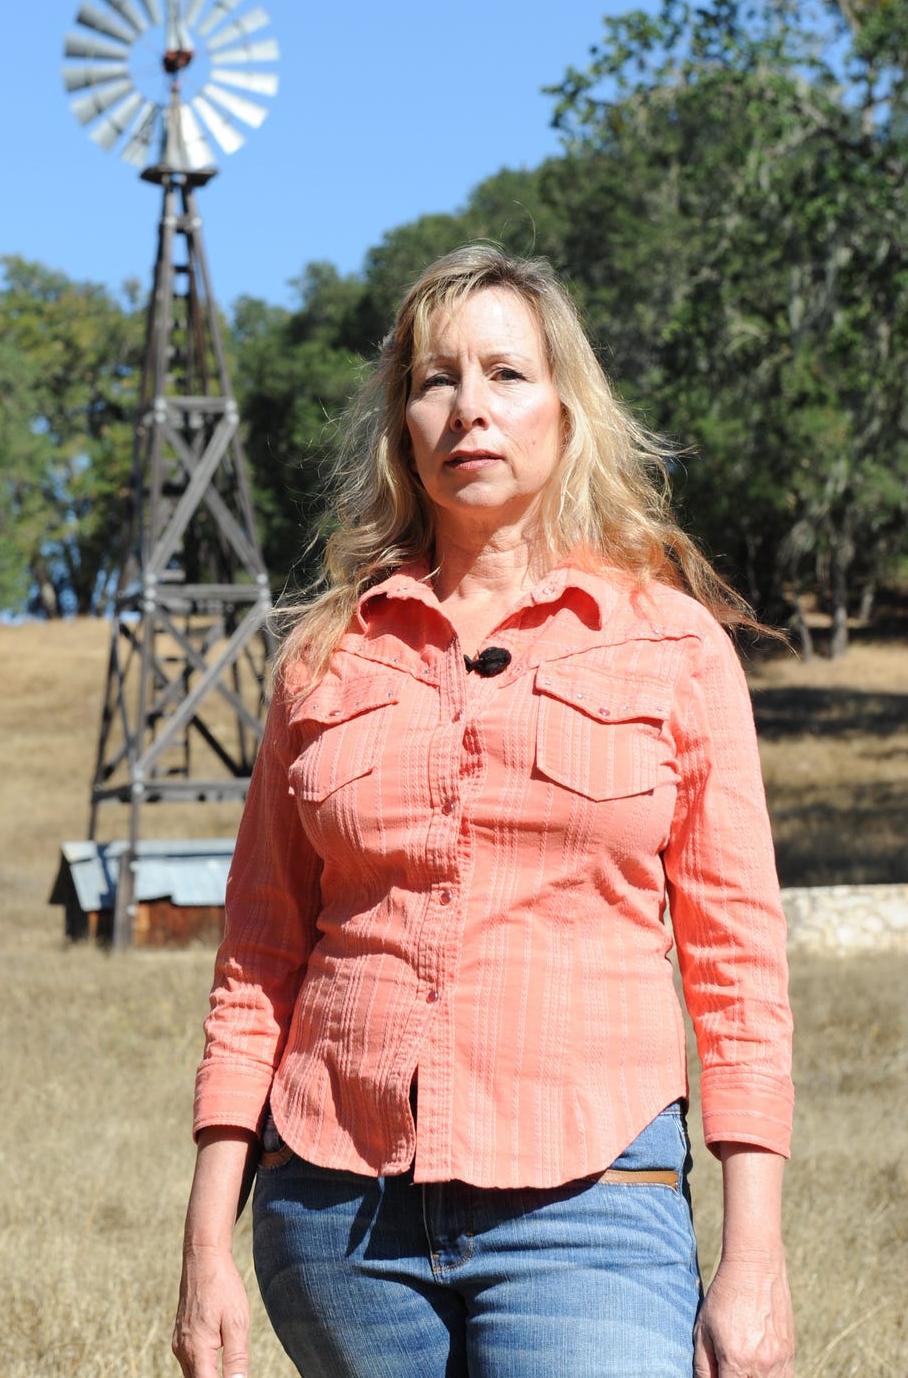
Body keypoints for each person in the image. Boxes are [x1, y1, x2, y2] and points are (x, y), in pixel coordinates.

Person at [172, 245, 795, 1378]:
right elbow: (258, 957)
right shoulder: (323, 659)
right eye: (434, 378)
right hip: (334, 1216)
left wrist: (755, 1258)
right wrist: (205, 1241)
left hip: (594, 1200)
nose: (469, 409)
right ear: (401, 421)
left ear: (567, 405)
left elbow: (737, 963)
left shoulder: (672, 647)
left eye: (506, 373)